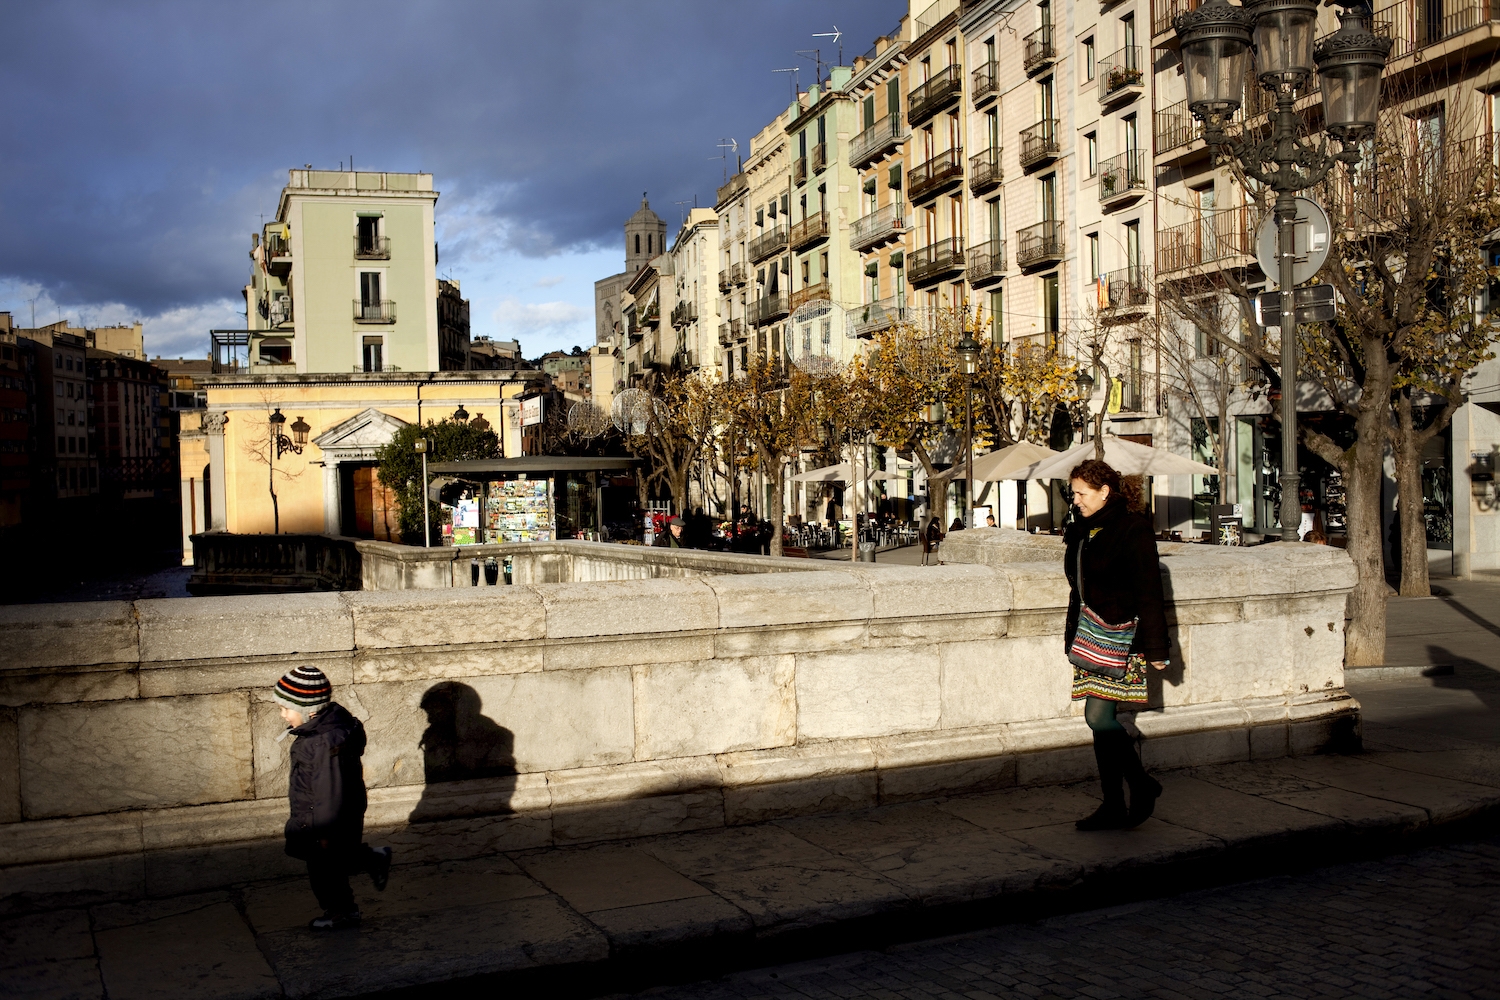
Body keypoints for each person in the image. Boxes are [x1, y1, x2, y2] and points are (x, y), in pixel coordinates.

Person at [1063, 460, 1169, 831]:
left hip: (1121, 637)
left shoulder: (1132, 529)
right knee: (1099, 724)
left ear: (1104, 491)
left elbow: (1149, 591)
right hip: (1090, 635)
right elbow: (1079, 585)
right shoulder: (1081, 529)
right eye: (1072, 493)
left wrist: (1157, 649)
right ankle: (1112, 804)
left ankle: (1141, 784)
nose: (1075, 500)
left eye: (1081, 493)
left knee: (1099, 717)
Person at [275, 665, 392, 930]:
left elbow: (328, 789)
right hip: (330, 814)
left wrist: (324, 830)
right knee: (335, 864)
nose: (283, 716)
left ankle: (339, 911)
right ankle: (349, 904)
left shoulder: (319, 742)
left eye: (286, 709)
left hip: (323, 819)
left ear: (309, 710)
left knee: (323, 871)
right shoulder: (327, 732)